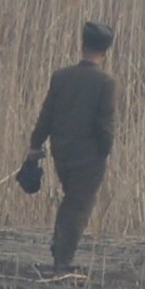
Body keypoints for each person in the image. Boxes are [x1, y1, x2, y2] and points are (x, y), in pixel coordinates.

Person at [28, 21, 116, 273]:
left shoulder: (61, 76)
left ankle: (60, 247)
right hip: (90, 155)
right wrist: (106, 149)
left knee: (72, 200)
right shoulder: (106, 83)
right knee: (79, 205)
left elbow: (46, 114)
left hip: (61, 151)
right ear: (105, 51)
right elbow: (105, 125)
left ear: (83, 45)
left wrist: (35, 144)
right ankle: (63, 260)